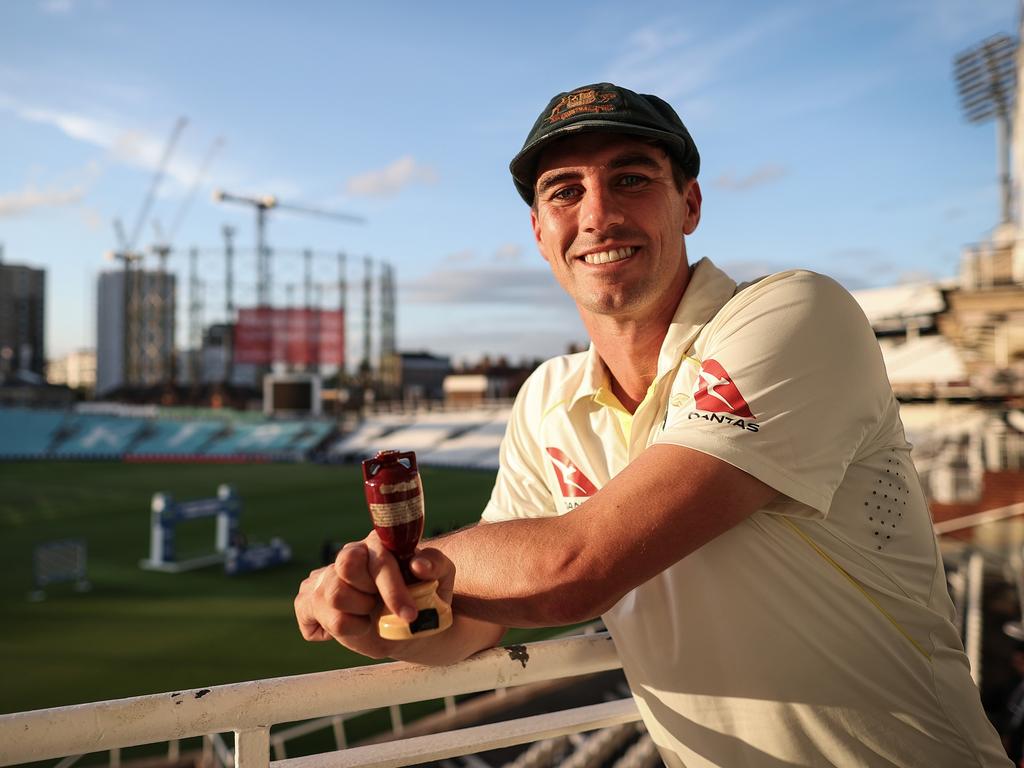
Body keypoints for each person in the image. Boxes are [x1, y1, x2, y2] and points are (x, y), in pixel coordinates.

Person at [295, 82, 1011, 767]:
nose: (598, 213)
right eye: (564, 191)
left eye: (631, 179)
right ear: (540, 231)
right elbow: (482, 620)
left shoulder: (797, 314)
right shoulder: (546, 396)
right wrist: (379, 617)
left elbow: (574, 570)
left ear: (689, 204)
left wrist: (399, 566)